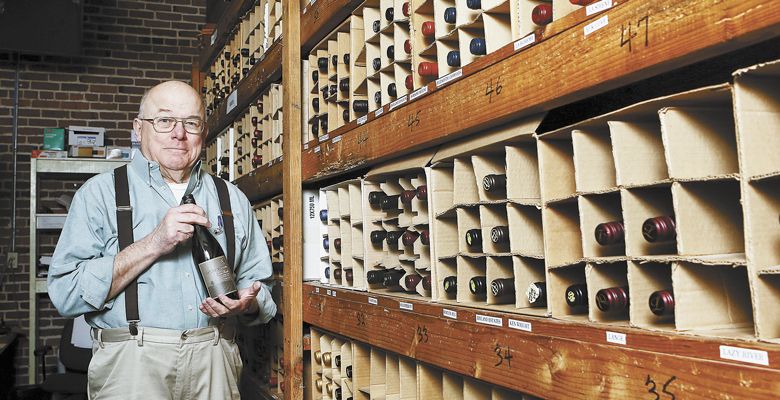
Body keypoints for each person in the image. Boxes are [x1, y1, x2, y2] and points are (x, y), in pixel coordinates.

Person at [48, 80, 276, 399]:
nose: (178, 134)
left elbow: (262, 288)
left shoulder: (232, 199)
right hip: (131, 365)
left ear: (204, 132)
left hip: (214, 358)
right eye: (165, 120)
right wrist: (154, 242)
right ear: (139, 129)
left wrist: (247, 303)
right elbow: (66, 293)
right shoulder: (98, 195)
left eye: (191, 123)